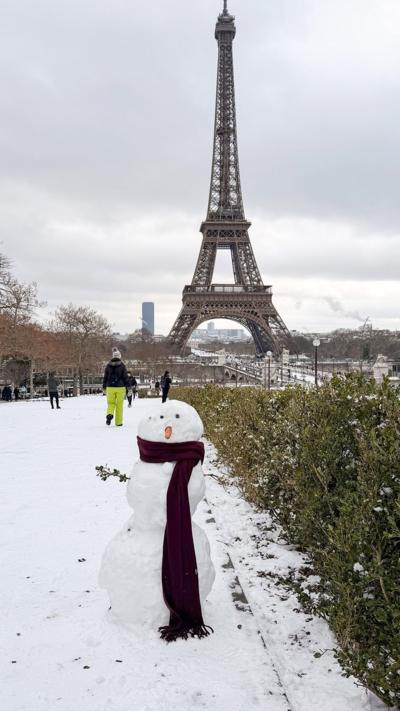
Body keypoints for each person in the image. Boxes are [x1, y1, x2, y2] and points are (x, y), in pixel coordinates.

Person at [103, 348, 129, 426]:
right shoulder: (122, 365)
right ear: (119, 356)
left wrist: (104, 387)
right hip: (120, 387)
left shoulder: (108, 365)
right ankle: (118, 422)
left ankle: (109, 414)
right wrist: (129, 387)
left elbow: (105, 377)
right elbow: (125, 377)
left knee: (111, 403)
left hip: (110, 387)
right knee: (119, 405)